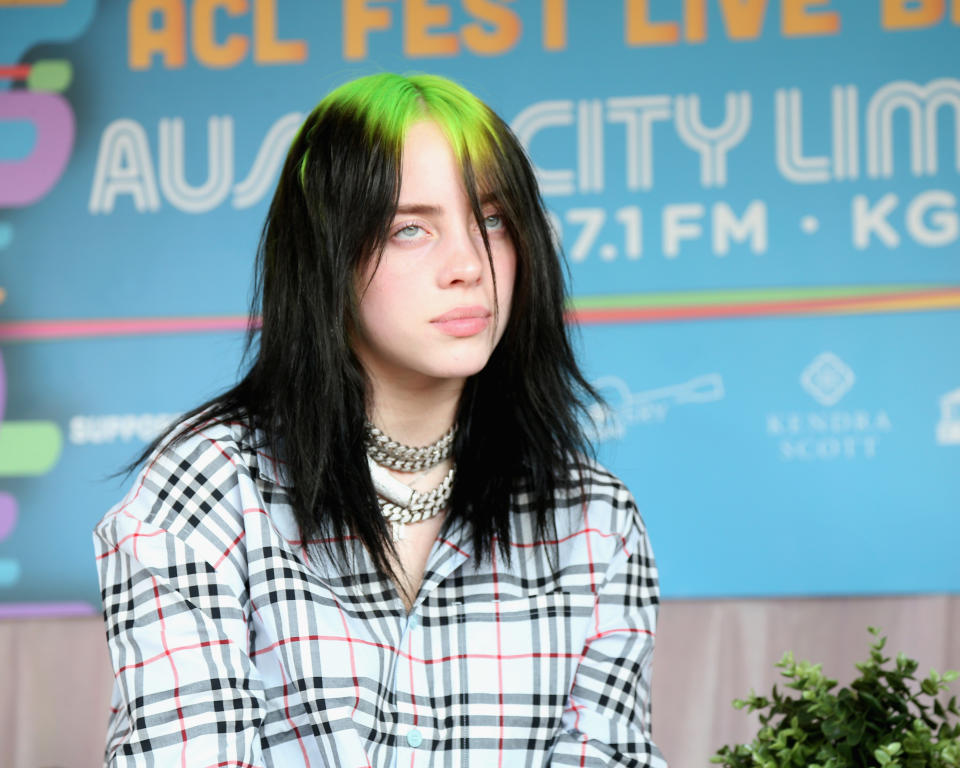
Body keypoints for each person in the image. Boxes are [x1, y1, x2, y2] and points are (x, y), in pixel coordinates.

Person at [94, 72, 666, 767]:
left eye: (491, 220)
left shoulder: (592, 521)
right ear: (325, 256)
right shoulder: (206, 495)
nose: (467, 265)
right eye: (410, 228)